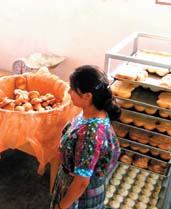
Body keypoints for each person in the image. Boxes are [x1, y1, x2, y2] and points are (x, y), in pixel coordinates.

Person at [50, 65, 121, 209]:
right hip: (70, 183)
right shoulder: (91, 112)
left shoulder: (91, 134)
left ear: (88, 96)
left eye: (72, 89)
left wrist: (61, 206)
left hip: (79, 196)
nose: (68, 92)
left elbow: (81, 181)